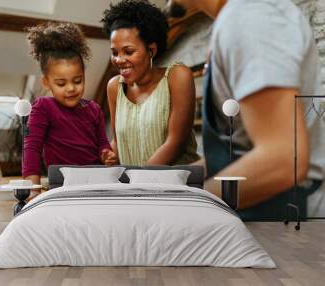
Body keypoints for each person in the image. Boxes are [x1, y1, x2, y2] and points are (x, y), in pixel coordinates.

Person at [165, 0, 325, 219]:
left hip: (283, 220)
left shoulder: (249, 17)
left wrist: (181, 205)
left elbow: (283, 160)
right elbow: (236, 150)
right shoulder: (236, 18)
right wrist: (171, 181)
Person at [101, 0, 200, 166]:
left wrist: (137, 180)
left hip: (178, 186)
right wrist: (109, 155)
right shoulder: (114, 87)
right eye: (114, 52)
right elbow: (119, 143)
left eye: (129, 51)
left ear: (151, 50)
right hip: (134, 187)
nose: (119, 60)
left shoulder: (178, 76)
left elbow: (175, 143)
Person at [23, 22, 117, 197]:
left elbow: (102, 144)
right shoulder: (43, 107)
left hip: (96, 182)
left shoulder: (94, 108)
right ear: (46, 82)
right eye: (61, 83)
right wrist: (33, 190)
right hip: (62, 185)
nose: (71, 88)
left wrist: (106, 154)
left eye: (77, 80)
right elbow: (31, 149)